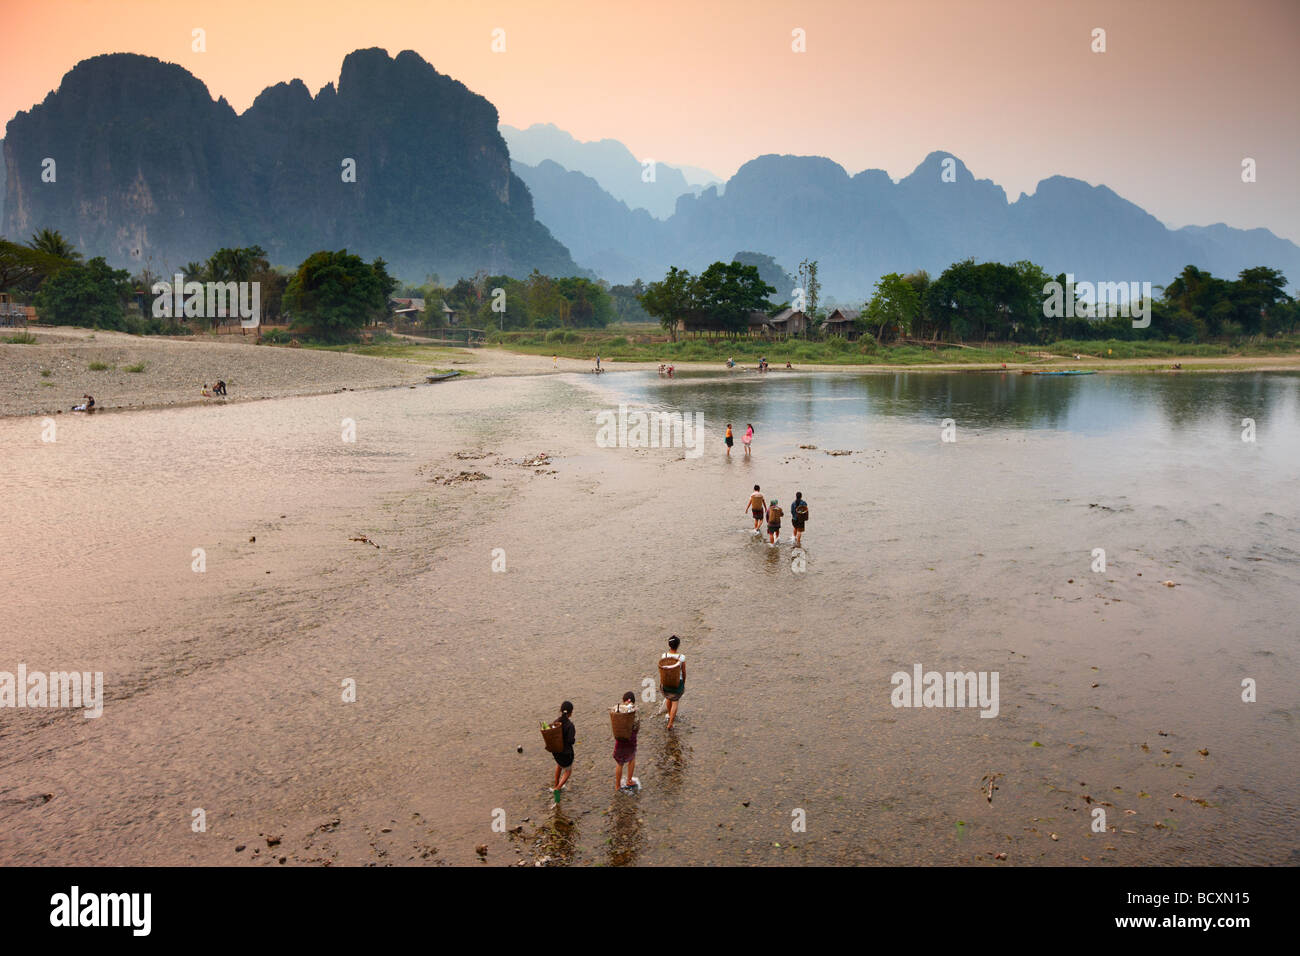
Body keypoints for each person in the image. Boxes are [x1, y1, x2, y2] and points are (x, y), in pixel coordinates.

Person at [612, 692, 640, 792]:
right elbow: (637, 726)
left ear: (624, 700)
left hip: (620, 739)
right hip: (631, 739)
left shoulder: (617, 709)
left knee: (620, 763)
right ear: (633, 701)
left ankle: (617, 785)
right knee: (631, 758)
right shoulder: (635, 710)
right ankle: (629, 780)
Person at [659, 636, 685, 729]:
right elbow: (684, 672)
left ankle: (669, 714)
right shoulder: (681, 657)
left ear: (669, 645)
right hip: (677, 683)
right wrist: (684, 682)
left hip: (666, 683)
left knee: (668, 698)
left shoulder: (664, 656)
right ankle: (670, 724)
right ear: (678, 645)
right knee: (675, 702)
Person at [551, 701, 576, 796]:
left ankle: (556, 783)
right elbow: (570, 741)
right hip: (566, 754)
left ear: (561, 710)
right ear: (570, 712)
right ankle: (558, 788)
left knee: (559, 765)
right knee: (568, 771)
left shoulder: (555, 722)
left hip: (557, 753)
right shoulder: (570, 725)